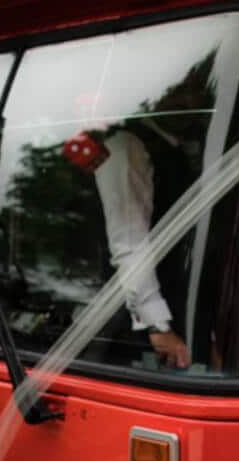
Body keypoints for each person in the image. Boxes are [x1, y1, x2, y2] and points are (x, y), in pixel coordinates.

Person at [65, 126, 190, 368]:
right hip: (131, 324)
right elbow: (129, 241)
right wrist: (157, 324)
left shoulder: (166, 144)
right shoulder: (126, 147)